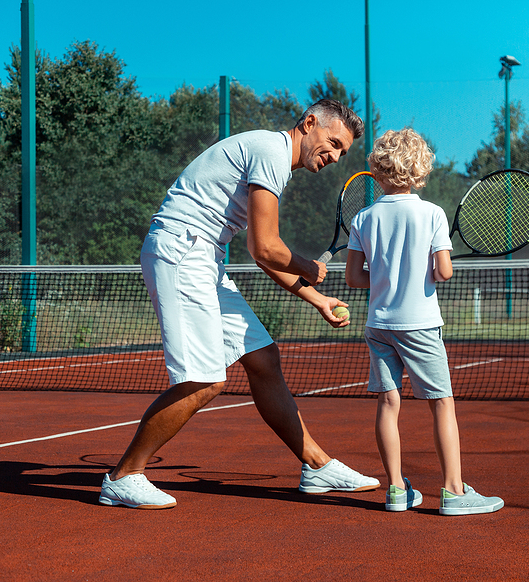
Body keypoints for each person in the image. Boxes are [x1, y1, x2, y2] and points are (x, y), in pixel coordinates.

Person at [99, 99, 380, 509]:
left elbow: (260, 252)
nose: (336, 157)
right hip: (183, 250)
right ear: (309, 122)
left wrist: (317, 298)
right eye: (334, 142)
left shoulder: (270, 159)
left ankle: (317, 467)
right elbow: (266, 247)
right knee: (205, 379)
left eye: (343, 152)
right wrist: (306, 265)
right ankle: (123, 476)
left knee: (263, 358)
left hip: (204, 255)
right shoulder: (271, 151)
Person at [344, 127, 504, 515]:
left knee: (388, 401)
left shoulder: (363, 218)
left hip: (379, 324)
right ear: (420, 170)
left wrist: (386, 278)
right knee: (441, 403)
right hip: (419, 325)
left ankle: (396, 490)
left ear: (378, 170)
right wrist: (428, 271)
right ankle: (452, 490)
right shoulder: (432, 213)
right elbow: (444, 272)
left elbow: (354, 278)